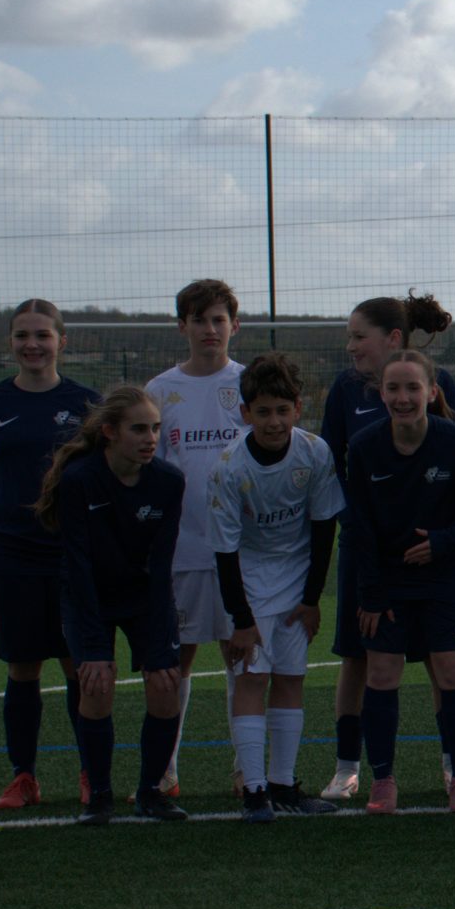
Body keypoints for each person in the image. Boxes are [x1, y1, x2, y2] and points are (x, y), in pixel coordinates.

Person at [316, 290, 455, 801]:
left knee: (442, 660)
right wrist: (360, 529)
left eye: (359, 336)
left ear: (393, 338)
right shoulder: (344, 389)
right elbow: (331, 465)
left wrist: (440, 536)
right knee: (358, 656)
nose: (351, 346)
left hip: (430, 556)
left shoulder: (438, 382)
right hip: (368, 555)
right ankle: (346, 768)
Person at [0, 300, 100, 811]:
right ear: (11, 342)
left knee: (78, 665)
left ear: (62, 341)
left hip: (70, 552)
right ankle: (23, 776)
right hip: (11, 552)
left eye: (42, 335)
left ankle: (91, 773)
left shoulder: (87, 403)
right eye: (22, 335)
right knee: (22, 668)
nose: (32, 344)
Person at [343, 349, 455, 814]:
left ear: (431, 392)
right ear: (381, 393)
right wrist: (370, 594)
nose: (402, 397)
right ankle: (383, 779)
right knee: (382, 675)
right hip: (388, 581)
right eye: (393, 388)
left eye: (412, 387)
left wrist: (443, 541)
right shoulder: (364, 447)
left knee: (452, 672)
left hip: (445, 577)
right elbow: (359, 525)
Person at [39, 384, 185, 826]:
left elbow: (162, 565)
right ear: (109, 432)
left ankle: (150, 793)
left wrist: (161, 641)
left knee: (166, 685)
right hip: (90, 596)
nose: (150, 438)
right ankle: (98, 795)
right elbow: (78, 564)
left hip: (144, 597)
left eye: (155, 428)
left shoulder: (169, 481)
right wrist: (93, 649)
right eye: (138, 429)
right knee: (96, 685)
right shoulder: (79, 479)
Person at [207, 353, 343, 821]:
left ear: (298, 408)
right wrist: (241, 621)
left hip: (296, 578)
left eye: (283, 410)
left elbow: (324, 528)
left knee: (290, 677)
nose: (274, 421)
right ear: (245, 413)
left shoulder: (315, 452)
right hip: (247, 579)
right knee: (252, 678)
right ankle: (254, 792)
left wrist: (311, 600)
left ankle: (284, 785)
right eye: (262, 411)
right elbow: (224, 552)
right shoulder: (229, 468)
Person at [146, 279, 247, 797]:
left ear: (234, 325)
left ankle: (246, 768)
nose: (210, 329)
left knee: (240, 654)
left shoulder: (248, 384)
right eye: (199, 320)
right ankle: (165, 770)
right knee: (176, 658)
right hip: (180, 550)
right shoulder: (160, 391)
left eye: (219, 320)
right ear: (181, 326)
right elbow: (150, 469)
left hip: (240, 552)